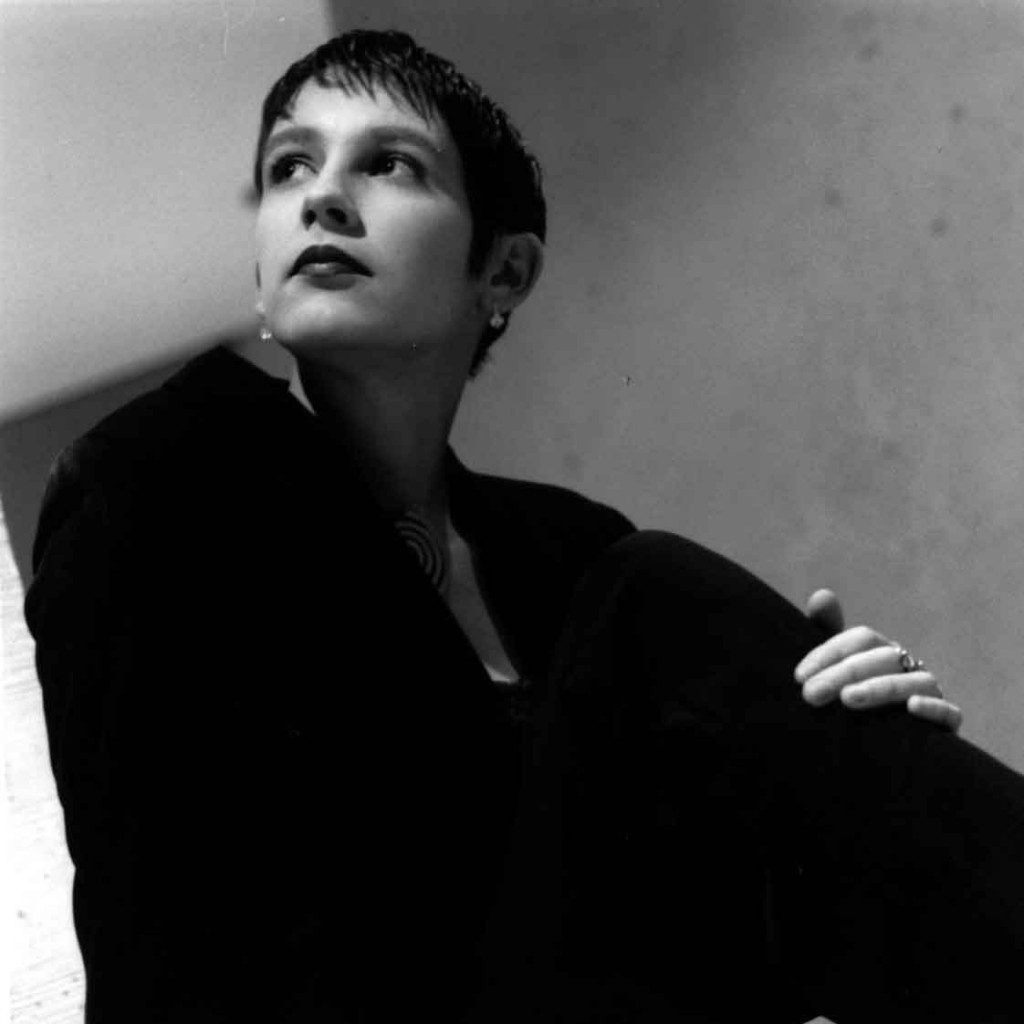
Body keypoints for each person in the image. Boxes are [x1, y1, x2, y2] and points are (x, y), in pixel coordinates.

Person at [24, 29, 1021, 1024]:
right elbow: (155, 950)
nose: (320, 198)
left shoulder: (570, 551)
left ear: (502, 272)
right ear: (259, 276)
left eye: (390, 164)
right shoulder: (152, 482)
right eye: (289, 167)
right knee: (658, 598)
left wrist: (831, 731)